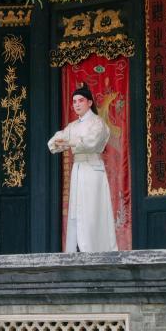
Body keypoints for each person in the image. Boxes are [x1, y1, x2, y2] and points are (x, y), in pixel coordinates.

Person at [48, 85, 118, 252]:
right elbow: (54, 143)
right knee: (77, 211)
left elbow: (91, 142)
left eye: (80, 101)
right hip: (78, 168)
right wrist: (63, 141)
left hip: (92, 169)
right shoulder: (72, 126)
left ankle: (96, 249)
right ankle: (77, 249)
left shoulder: (98, 122)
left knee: (92, 210)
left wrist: (70, 142)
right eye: (74, 101)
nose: (77, 104)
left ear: (89, 102)